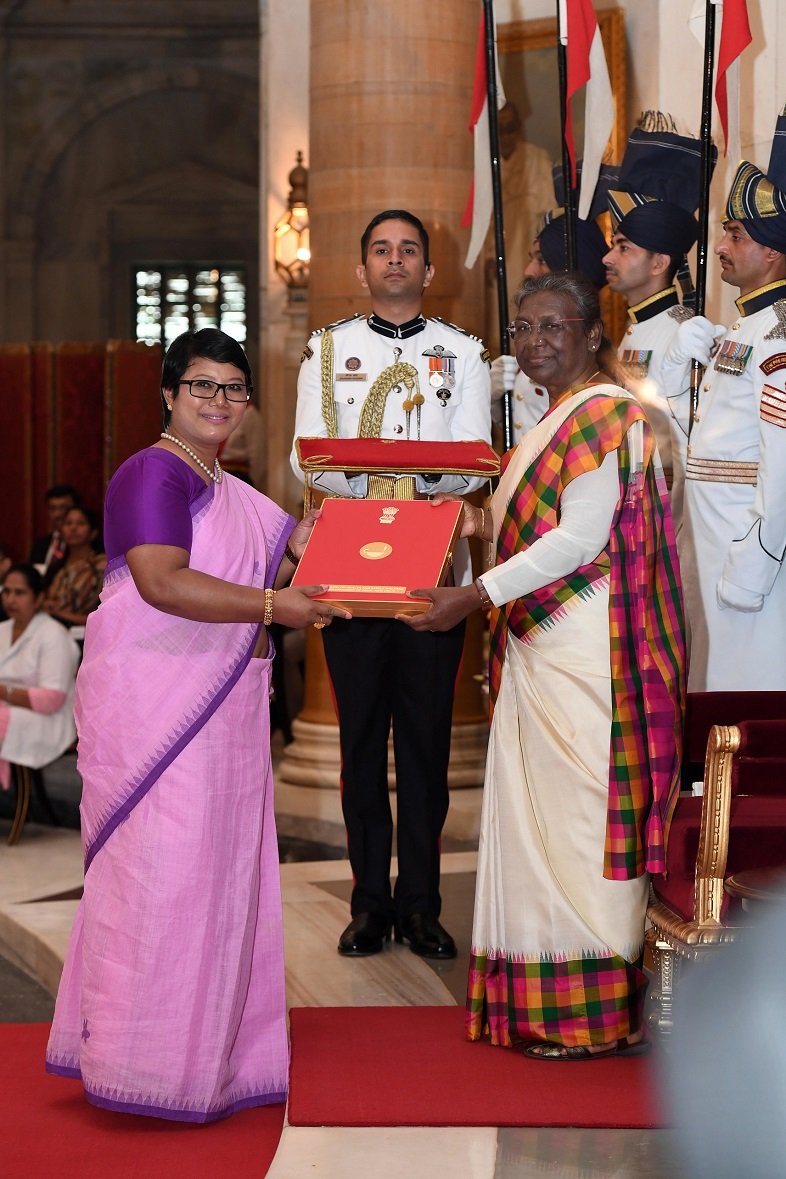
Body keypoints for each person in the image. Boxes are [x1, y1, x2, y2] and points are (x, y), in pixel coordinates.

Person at [46, 328, 350, 1122]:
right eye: (203, 386)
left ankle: (212, 1052)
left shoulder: (240, 495)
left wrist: (379, 542)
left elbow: (300, 568)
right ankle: (137, 1057)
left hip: (224, 717)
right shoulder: (152, 472)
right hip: (156, 714)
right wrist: (277, 607)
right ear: (170, 394)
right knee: (159, 878)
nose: (219, 401)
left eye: (234, 389)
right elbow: (161, 581)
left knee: (217, 877)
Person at [399, 272, 685, 1058]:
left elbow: (576, 541)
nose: (536, 342)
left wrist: (474, 598)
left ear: (594, 332)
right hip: (542, 644)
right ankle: (537, 999)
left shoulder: (610, 416)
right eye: (523, 329)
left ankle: (586, 1012)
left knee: (577, 819)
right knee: (534, 819)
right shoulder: (548, 423)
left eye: (554, 326)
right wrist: (439, 516)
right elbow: (515, 522)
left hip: (587, 645)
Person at [290, 209, 491, 960]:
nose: (396, 260)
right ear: (361, 268)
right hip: (348, 569)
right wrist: (413, 467)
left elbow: (472, 460)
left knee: (427, 746)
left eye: (409, 250)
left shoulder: (462, 353)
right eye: (382, 249)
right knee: (361, 741)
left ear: (430, 271)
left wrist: (377, 463)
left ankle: (423, 904)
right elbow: (310, 461)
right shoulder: (328, 350)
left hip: (435, 570)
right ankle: (369, 902)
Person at [679, 106, 786, 691]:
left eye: (735, 234)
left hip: (749, 553)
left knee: (751, 695)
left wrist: (755, 563)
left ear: (771, 252)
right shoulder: (745, 330)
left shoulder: (778, 338)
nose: (719, 244)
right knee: (716, 686)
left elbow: (783, 464)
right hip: (715, 540)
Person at [603, 116, 721, 526]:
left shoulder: (679, 332)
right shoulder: (636, 329)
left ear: (659, 262)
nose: (608, 259)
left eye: (622, 248)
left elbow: (689, 449)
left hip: (664, 516)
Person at [491, 209, 610, 446]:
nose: (529, 271)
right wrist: (490, 399)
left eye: (541, 260)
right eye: (524, 328)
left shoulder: (588, 365)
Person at [0, 563, 80, 792]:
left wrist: (3, 691)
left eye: (20, 593)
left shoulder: (53, 634)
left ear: (38, 598)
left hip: (48, 720)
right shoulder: (2, 630)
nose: (10, 599)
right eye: (6, 591)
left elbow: (51, 700)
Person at [42, 506, 106, 628]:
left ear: (93, 533)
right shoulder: (56, 568)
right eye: (68, 523)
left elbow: (104, 613)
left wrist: (59, 613)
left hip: (87, 634)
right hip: (49, 629)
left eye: (80, 523)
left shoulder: (102, 566)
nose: (73, 528)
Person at [28, 484, 81, 572]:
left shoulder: (83, 544)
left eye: (63, 507)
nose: (57, 514)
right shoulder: (40, 545)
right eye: (52, 508)